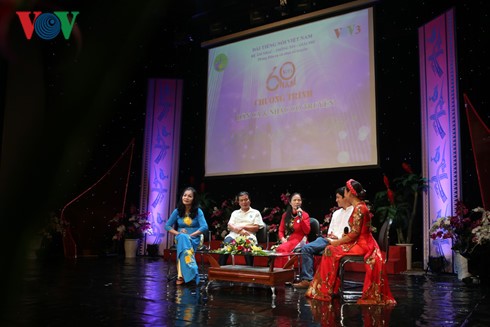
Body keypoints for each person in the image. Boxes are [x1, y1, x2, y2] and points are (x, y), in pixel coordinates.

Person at [305, 179, 396, 305]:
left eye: (346, 191)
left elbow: (354, 234)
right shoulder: (359, 207)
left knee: (331, 250)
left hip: (363, 245)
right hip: (359, 242)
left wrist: (338, 242)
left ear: (350, 193)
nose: (345, 193)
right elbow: (355, 232)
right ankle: (329, 288)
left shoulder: (359, 208)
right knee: (330, 249)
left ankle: (325, 290)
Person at [293, 186, 353, 288]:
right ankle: (308, 280)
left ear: (345, 197)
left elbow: (352, 232)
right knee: (307, 248)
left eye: (338, 197)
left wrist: (337, 237)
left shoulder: (354, 211)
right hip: (329, 239)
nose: (336, 200)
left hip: (342, 241)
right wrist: (331, 235)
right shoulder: (336, 213)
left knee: (310, 248)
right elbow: (331, 229)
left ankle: (318, 280)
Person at [165, 187, 208, 285]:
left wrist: (190, 235)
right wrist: (178, 233)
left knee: (183, 242)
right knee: (182, 238)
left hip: (195, 238)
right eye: (185, 195)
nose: (186, 198)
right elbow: (167, 226)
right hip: (180, 237)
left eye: (189, 196)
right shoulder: (177, 211)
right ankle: (191, 270)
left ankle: (181, 276)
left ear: (194, 199)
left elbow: (204, 227)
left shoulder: (198, 211)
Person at [218, 191, 265, 266]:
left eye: (246, 200)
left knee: (248, 246)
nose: (244, 202)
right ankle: (220, 269)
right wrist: (239, 231)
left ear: (250, 200)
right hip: (234, 235)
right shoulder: (235, 213)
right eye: (241, 200)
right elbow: (230, 225)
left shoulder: (255, 212)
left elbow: (256, 228)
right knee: (226, 243)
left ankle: (249, 270)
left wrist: (243, 227)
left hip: (249, 235)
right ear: (238, 202)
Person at [273, 192, 311, 268]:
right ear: (290, 202)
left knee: (282, 249)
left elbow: (307, 231)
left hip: (300, 240)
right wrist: (282, 239)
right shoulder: (285, 215)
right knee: (279, 249)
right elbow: (281, 230)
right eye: (294, 200)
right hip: (289, 240)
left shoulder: (304, 215)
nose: (297, 202)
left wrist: (301, 218)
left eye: (299, 200)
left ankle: (285, 273)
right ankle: (279, 273)